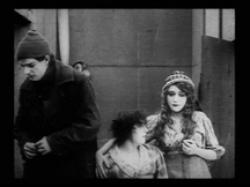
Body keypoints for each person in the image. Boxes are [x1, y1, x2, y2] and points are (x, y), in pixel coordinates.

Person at [96, 71, 225, 178]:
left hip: (198, 173)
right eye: (171, 94)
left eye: (182, 95)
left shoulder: (200, 119)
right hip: (168, 173)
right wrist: (100, 153)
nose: (175, 99)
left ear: (188, 98)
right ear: (165, 96)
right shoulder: (156, 120)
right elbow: (128, 136)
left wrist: (196, 150)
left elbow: (216, 153)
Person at [14, 30, 101, 182]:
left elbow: (91, 124)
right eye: (23, 66)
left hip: (74, 166)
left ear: (46, 59)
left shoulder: (77, 81)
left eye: (31, 65)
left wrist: (53, 142)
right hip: (39, 167)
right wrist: (25, 143)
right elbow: (21, 125)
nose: (26, 72)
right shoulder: (26, 88)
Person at [96, 110, 168, 179]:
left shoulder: (155, 154)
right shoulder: (107, 163)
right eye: (140, 126)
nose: (146, 130)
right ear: (127, 129)